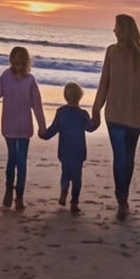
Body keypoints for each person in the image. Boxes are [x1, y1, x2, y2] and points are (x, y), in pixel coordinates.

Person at [90, 13, 140, 220]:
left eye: (116, 26)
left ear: (125, 29)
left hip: (135, 117)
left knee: (129, 159)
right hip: (114, 116)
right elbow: (104, 82)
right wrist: (96, 108)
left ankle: (123, 195)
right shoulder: (111, 52)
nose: (114, 30)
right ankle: (122, 200)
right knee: (120, 157)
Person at [0, 46, 46, 211]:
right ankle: (8, 189)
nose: (18, 63)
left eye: (22, 60)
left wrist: (42, 127)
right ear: (11, 60)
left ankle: (19, 195)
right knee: (12, 159)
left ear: (26, 62)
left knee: (22, 162)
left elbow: (37, 106)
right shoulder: (6, 76)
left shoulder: (30, 80)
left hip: (25, 128)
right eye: (16, 59)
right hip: (9, 127)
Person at [42, 81, 98, 213]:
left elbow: (53, 129)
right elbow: (90, 128)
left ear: (65, 97)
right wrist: (97, 119)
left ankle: (64, 190)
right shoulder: (82, 114)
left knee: (65, 172)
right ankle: (74, 201)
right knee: (77, 177)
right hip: (78, 152)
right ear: (80, 97)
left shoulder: (61, 113)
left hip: (64, 151)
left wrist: (44, 135)